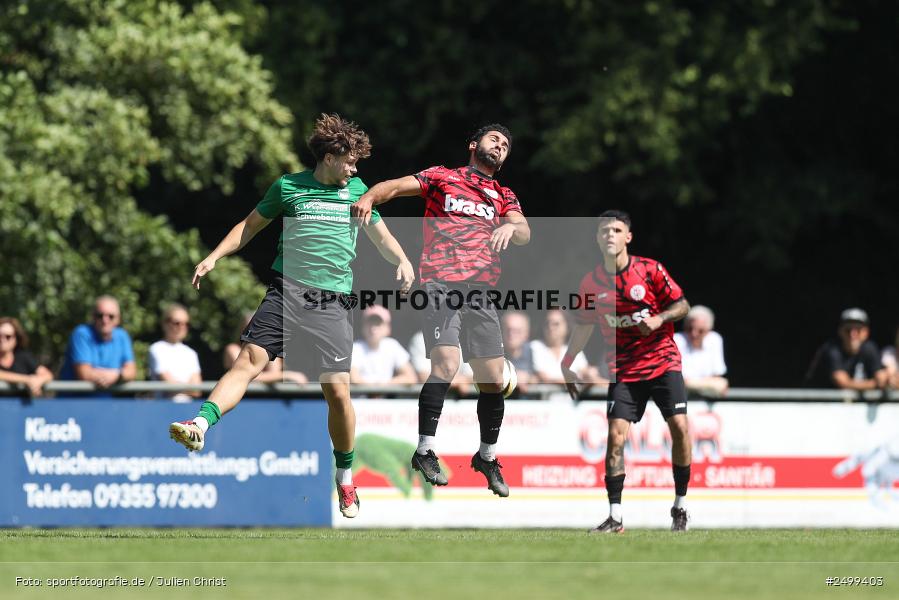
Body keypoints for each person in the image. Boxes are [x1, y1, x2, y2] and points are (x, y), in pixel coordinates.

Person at [168, 114, 414, 519]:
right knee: (247, 361)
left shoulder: (356, 192)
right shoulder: (288, 187)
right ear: (330, 157)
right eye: (350, 161)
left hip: (332, 302)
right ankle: (200, 425)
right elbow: (248, 226)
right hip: (287, 292)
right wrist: (214, 257)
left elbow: (381, 235)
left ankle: (345, 476)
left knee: (337, 392)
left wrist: (402, 260)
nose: (355, 170)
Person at [351, 124, 530, 497]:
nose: (500, 145)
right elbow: (393, 187)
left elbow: (524, 230)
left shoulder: (503, 194)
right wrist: (369, 197)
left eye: (505, 144)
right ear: (473, 144)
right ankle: (425, 450)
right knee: (447, 364)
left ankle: (486, 456)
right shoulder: (442, 177)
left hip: (481, 292)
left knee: (493, 379)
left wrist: (512, 229)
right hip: (441, 284)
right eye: (494, 139)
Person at [561, 210, 692, 532]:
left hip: (662, 361)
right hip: (624, 369)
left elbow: (682, 305)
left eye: (617, 230)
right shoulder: (591, 283)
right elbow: (584, 325)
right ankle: (615, 517)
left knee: (679, 427)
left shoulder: (649, 270)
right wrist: (567, 362)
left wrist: (660, 319)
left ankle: (680, 507)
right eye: (605, 231)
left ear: (628, 237)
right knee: (615, 438)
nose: (610, 235)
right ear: (597, 238)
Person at [59, 295, 137, 390]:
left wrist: (117, 375)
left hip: (108, 398)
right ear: (93, 317)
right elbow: (84, 374)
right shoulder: (81, 334)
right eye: (100, 316)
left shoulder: (122, 336)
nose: (105, 320)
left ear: (118, 319)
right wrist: (115, 375)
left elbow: (132, 372)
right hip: (76, 398)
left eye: (111, 316)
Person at [805, 308, 889, 391]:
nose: (853, 334)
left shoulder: (870, 348)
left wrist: (885, 378)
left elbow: (881, 377)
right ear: (840, 331)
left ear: (866, 332)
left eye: (858, 330)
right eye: (848, 330)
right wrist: (875, 384)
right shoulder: (831, 349)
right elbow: (842, 382)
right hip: (816, 398)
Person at [223, 312, 307, 384]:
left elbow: (274, 374)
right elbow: (245, 376)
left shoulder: (270, 349)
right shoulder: (233, 349)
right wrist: (287, 375)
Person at [148, 304, 202, 401]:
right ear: (165, 324)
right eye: (177, 323)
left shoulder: (191, 353)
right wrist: (189, 388)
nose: (182, 327)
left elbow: (197, 391)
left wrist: (179, 387)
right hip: (164, 407)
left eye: (186, 324)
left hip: (188, 407)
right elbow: (169, 384)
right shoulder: (157, 348)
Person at [350, 305, 417, 385]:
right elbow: (354, 378)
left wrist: (384, 385)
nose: (373, 329)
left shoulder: (392, 345)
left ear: (387, 328)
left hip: (385, 392)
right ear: (363, 327)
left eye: (378, 324)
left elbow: (411, 378)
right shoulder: (355, 348)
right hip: (363, 394)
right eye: (370, 323)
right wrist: (378, 387)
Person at [673, 305, 729, 397]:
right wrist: (709, 384)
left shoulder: (715, 339)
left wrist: (690, 383)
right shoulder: (677, 339)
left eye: (700, 330)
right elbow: (676, 380)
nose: (694, 334)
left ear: (709, 329)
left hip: (704, 399)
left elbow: (717, 376)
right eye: (689, 329)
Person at [530, 309, 594, 385]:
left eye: (556, 324)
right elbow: (543, 378)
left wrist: (590, 375)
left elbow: (586, 374)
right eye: (547, 323)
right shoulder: (534, 347)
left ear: (567, 326)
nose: (550, 327)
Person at [407, 331, 475, 394]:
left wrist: (462, 380)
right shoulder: (421, 339)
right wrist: (455, 382)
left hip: (458, 399)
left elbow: (473, 376)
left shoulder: (465, 339)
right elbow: (424, 377)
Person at [0, 317, 54, 396]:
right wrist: (27, 380)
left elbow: (48, 375)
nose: (2, 340)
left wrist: (38, 381)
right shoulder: (27, 378)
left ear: (16, 339)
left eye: (8, 336)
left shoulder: (24, 357)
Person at [502, 311, 535, 392]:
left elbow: (546, 376)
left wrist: (529, 379)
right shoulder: (490, 353)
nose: (511, 334)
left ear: (526, 333)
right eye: (508, 330)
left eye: (516, 331)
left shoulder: (535, 351)